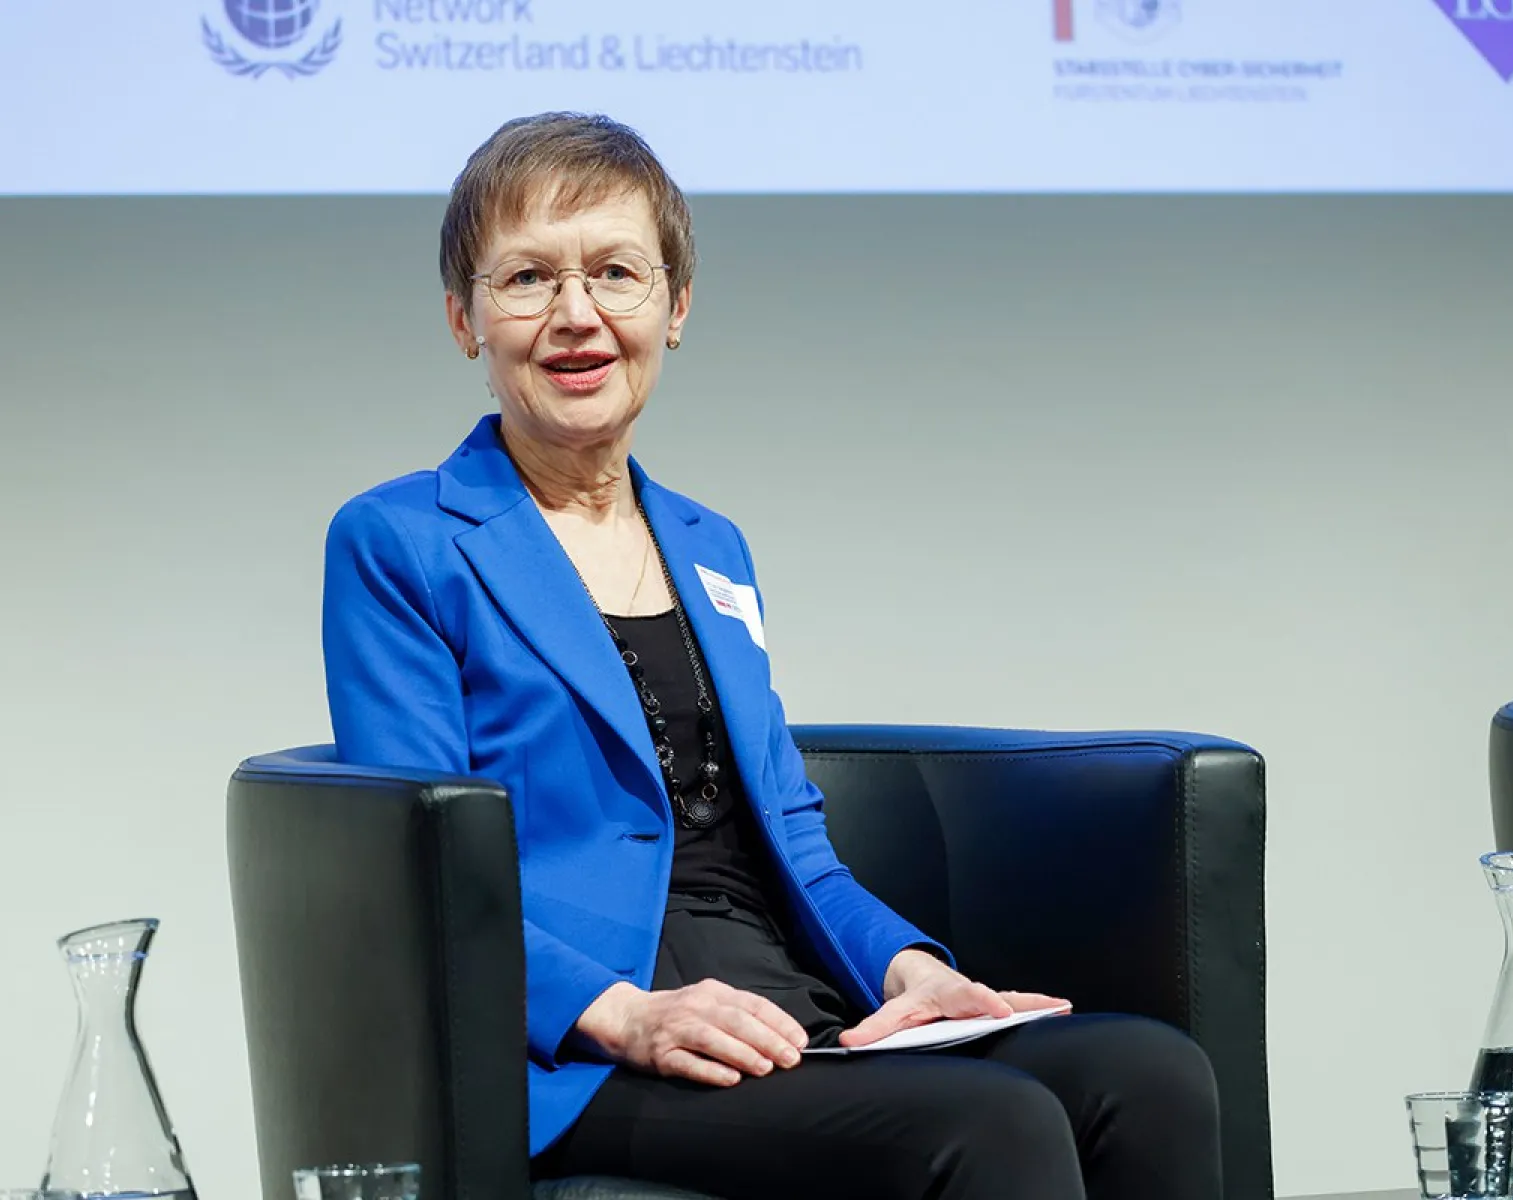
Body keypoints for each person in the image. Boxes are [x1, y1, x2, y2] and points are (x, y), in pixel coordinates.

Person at [322, 111, 1223, 1200]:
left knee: (1149, 1074)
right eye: (526, 279)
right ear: (464, 319)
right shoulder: (402, 541)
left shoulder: (712, 546)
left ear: (675, 307)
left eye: (616, 273)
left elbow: (789, 837)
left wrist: (913, 971)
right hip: (587, 1048)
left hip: (779, 1001)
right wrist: (626, 1014)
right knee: (994, 1124)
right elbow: (421, 872)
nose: (577, 315)